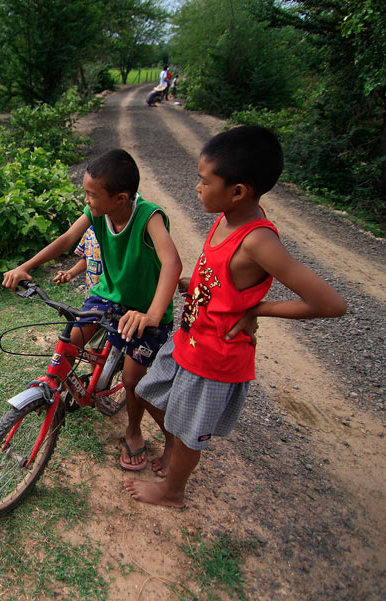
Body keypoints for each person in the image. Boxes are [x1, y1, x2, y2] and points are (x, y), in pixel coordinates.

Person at [123, 126, 346, 508]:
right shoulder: (227, 215)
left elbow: (330, 303)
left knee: (191, 432)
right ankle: (173, 456)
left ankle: (172, 492)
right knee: (149, 392)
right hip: (189, 340)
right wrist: (198, 285)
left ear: (238, 190)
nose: (197, 187)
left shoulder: (259, 240)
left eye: (204, 180)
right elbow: (227, 278)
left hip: (214, 360)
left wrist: (258, 309)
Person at [3, 149, 182, 471]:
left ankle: (134, 430)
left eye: (91, 194)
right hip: (107, 295)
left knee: (132, 381)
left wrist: (153, 314)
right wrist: (25, 267)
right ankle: (63, 392)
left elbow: (172, 262)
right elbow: (68, 238)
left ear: (121, 198)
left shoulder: (149, 217)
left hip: (144, 309)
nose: (86, 199)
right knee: (72, 339)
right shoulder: (98, 212)